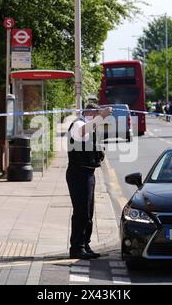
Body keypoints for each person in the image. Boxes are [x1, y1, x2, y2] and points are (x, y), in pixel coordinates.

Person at [67, 103, 112, 260]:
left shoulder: (90, 127)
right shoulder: (78, 124)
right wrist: (102, 116)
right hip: (78, 173)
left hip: (88, 173)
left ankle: (85, 245)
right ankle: (76, 248)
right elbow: (82, 132)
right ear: (90, 113)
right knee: (81, 212)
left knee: (89, 213)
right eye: (96, 114)